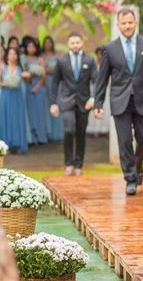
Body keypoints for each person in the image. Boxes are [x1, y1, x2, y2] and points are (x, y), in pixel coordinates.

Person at [94, 9, 143, 195]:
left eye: (130, 22)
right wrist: (98, 103)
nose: (127, 26)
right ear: (118, 25)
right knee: (125, 141)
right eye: (124, 23)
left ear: (135, 23)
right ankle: (130, 178)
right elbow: (102, 78)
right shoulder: (109, 49)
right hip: (120, 102)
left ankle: (138, 163)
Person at [49, 32, 97, 176]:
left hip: (84, 103)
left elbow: (96, 80)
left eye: (78, 42)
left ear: (82, 43)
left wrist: (94, 98)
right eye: (72, 43)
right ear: (68, 44)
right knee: (69, 130)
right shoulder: (61, 61)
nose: (75, 45)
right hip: (67, 102)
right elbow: (55, 83)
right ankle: (69, 163)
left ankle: (79, 165)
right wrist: (53, 103)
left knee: (81, 134)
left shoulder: (90, 60)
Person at [0, 47, 29, 154]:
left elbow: (28, 79)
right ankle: (6, 145)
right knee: (6, 118)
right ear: (7, 55)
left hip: (17, 95)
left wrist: (28, 75)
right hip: (6, 95)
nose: (12, 56)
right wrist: (7, 84)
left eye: (15, 54)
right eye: (10, 54)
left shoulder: (21, 68)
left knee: (17, 119)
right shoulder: (3, 68)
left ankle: (18, 145)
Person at [22, 38, 49, 145]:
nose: (31, 49)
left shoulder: (40, 59)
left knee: (40, 113)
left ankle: (41, 137)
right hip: (29, 87)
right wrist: (31, 74)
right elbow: (26, 78)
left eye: (33, 47)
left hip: (39, 88)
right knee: (31, 113)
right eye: (29, 47)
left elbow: (44, 75)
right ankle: (32, 138)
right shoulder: (24, 60)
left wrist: (38, 87)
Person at [42, 36, 64, 141]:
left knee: (56, 104)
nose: (48, 44)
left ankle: (57, 133)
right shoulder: (41, 56)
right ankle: (47, 132)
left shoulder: (57, 57)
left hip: (56, 83)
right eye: (46, 43)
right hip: (45, 82)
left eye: (49, 42)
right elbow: (43, 71)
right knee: (46, 106)